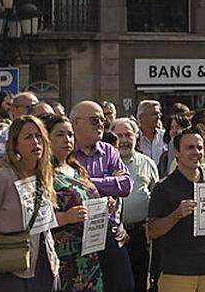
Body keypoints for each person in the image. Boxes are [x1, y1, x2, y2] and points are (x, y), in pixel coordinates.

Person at [147, 128, 205, 292]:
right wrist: (176, 215)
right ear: (177, 152)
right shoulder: (163, 187)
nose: (196, 152)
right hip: (177, 270)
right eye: (190, 148)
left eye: (199, 148)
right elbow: (152, 231)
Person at [0, 116, 59, 291]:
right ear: (15, 145)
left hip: (45, 264)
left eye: (39, 136)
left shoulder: (45, 176)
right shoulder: (2, 178)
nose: (35, 142)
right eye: (28, 137)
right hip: (11, 268)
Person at [69, 101, 133, 292]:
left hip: (108, 231)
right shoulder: (66, 153)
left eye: (103, 120)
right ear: (75, 123)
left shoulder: (109, 151)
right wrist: (107, 183)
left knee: (123, 285)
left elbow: (125, 185)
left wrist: (87, 182)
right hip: (76, 235)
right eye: (94, 120)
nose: (101, 125)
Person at [40, 114, 103, 292]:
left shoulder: (76, 169)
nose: (67, 139)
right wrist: (65, 218)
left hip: (90, 256)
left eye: (70, 134)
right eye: (60, 135)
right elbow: (33, 219)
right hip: (63, 259)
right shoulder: (43, 174)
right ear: (46, 138)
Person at [112, 118, 157, 292]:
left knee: (139, 282)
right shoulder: (104, 164)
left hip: (140, 234)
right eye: (119, 135)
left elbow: (156, 197)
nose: (124, 140)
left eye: (128, 135)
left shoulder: (147, 163)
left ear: (136, 137)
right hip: (114, 234)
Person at [0, 93, 39, 163]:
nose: (34, 112)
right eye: (29, 108)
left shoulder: (45, 136)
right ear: (13, 109)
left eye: (37, 107)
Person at [136, 101, 166, 168]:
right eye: (154, 114)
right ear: (141, 117)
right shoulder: (135, 138)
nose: (158, 117)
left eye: (159, 114)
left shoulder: (164, 136)